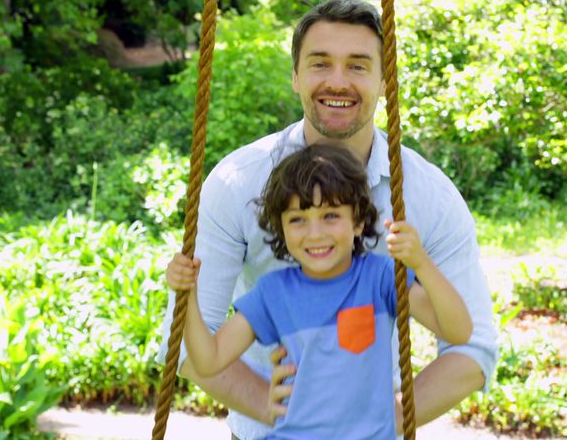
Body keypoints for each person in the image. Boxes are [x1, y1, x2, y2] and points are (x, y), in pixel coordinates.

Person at [158, 0, 497, 439]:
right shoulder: (238, 183)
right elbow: (186, 342)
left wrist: (384, 419)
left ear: (385, 78)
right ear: (296, 76)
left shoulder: (425, 196)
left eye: (358, 66)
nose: (338, 82)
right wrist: (277, 409)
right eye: (320, 64)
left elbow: (472, 346)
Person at [166, 144, 473, 439]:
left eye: (330, 216)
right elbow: (209, 361)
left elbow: (458, 332)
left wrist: (421, 264)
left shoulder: (379, 279)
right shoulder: (274, 294)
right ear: (281, 230)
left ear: (358, 220)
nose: (315, 233)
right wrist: (188, 296)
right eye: (298, 219)